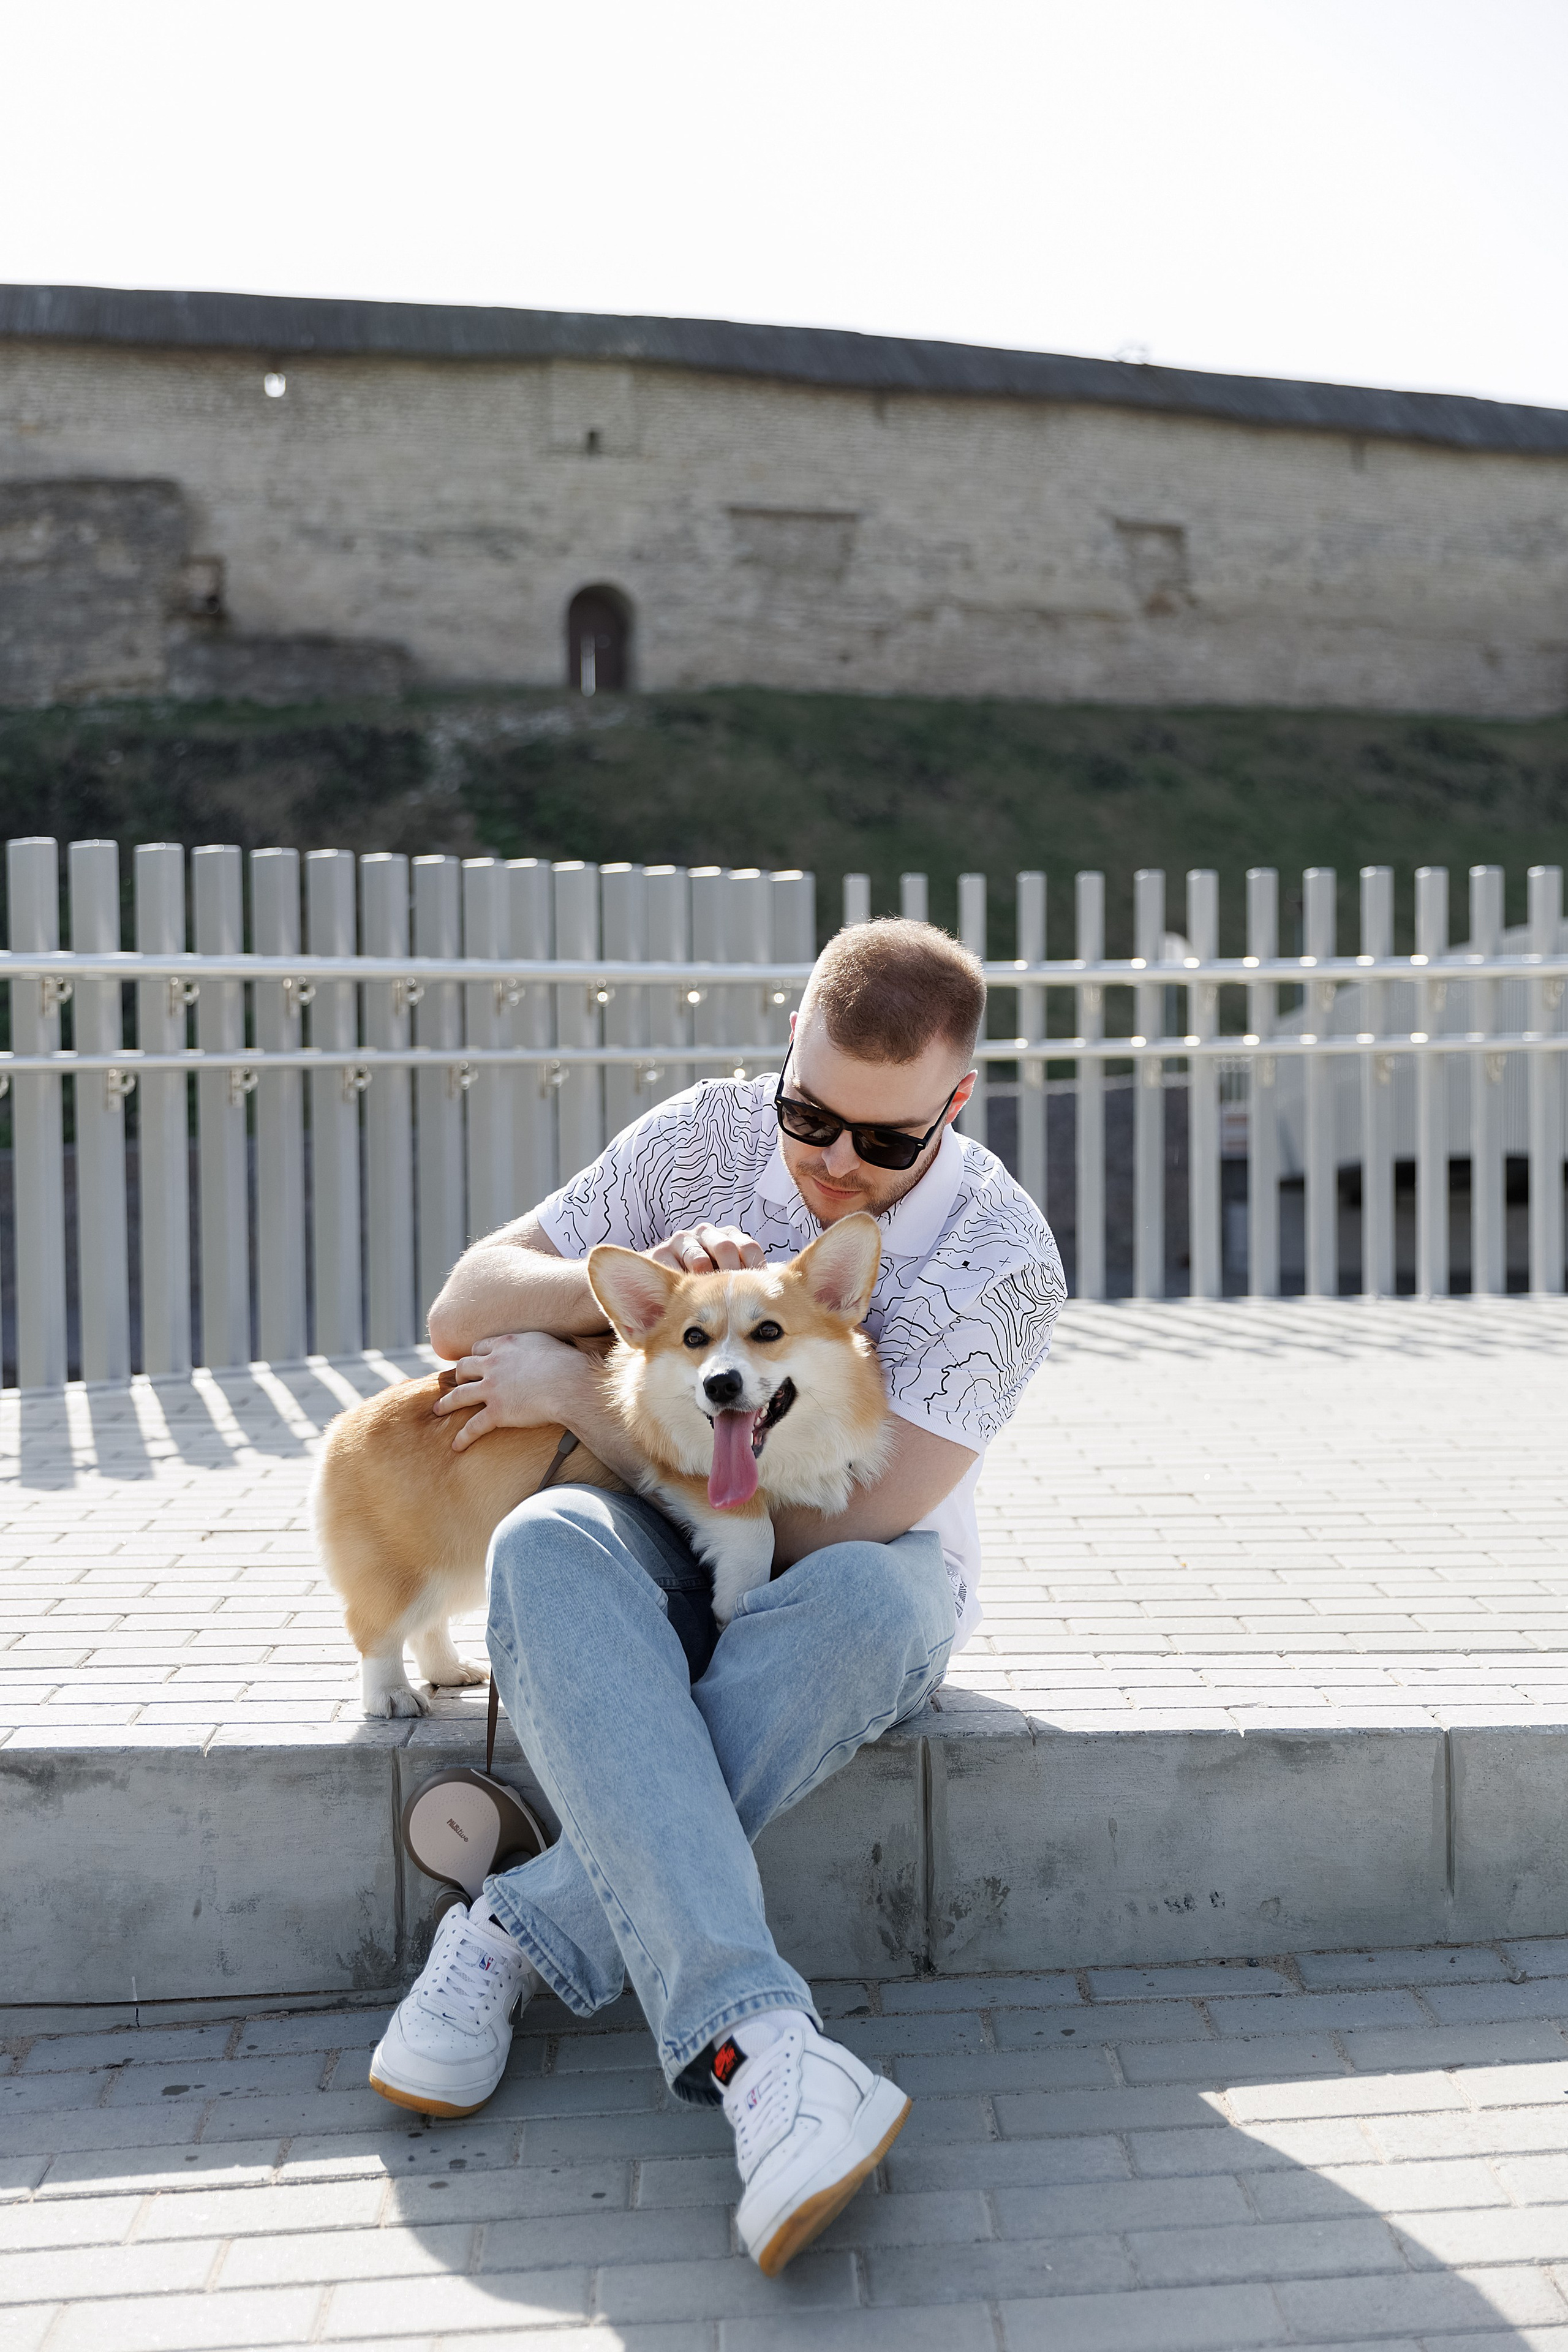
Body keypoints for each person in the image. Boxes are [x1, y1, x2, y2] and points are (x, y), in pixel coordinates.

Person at [368, 916, 1065, 2274]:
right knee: (544, 1547)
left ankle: (515, 1932)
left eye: (884, 1142)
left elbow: (832, 1527)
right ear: (783, 1061)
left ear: (954, 1106)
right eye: (808, 1117)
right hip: (648, 1533)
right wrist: (634, 1306)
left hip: (857, 1569)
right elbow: (462, 1303)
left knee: (865, 1608)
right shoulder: (699, 1136)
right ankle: (772, 2062)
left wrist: (586, 1395)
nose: (831, 1166)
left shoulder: (1001, 1259)